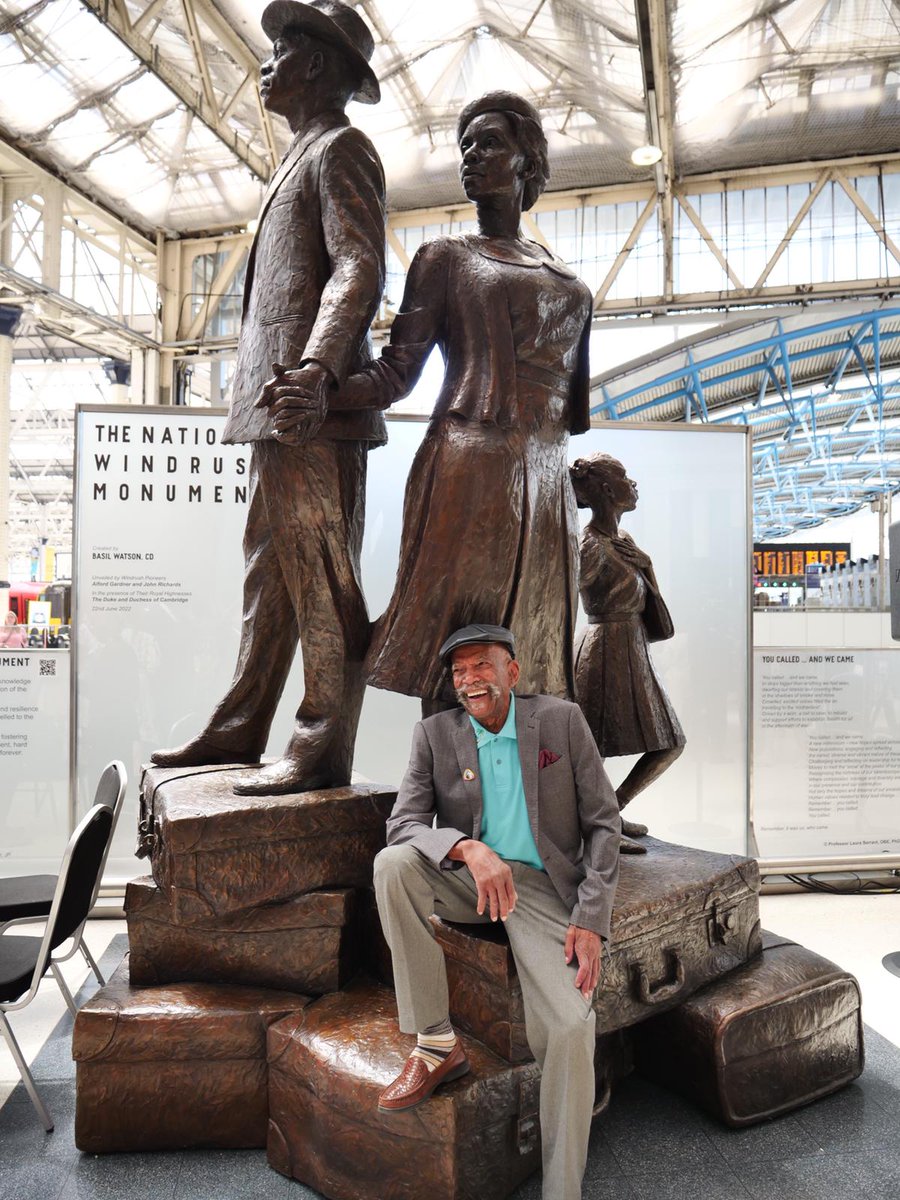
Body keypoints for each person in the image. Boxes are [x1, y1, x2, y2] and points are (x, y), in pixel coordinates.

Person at [152, 0, 386, 795]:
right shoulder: (301, 154)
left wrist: (318, 371)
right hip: (280, 404)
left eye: (280, 48)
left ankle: (321, 744)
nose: (266, 62)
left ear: (316, 63)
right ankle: (242, 724)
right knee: (271, 574)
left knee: (320, 575)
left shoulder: (342, 148)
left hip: (309, 405)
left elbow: (359, 266)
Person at [334, 91, 593, 709]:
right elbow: (397, 371)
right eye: (466, 146)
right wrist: (325, 390)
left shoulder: (568, 280)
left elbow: (570, 407)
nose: (471, 156)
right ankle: (449, 767)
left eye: (490, 143)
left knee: (534, 643)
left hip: (548, 477)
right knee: (459, 638)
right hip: (471, 465)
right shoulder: (444, 258)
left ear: (528, 162)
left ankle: (519, 770)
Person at [374, 624, 620, 1200]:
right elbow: (403, 824)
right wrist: (467, 848)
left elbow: (604, 824)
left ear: (511, 671)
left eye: (481, 665)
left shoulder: (560, 721)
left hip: (544, 890)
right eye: (459, 672)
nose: (469, 680)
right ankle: (436, 1041)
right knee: (393, 866)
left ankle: (562, 1191)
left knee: (569, 1029)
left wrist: (591, 918)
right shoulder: (434, 734)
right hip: (472, 883)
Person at [570, 453, 685, 854]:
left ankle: (610, 811)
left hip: (631, 647)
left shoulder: (623, 542)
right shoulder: (589, 545)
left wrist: (648, 568)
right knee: (594, 747)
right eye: (625, 478)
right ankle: (597, 826)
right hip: (604, 650)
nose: (633, 484)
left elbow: (657, 619)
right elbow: (562, 594)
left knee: (669, 743)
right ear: (606, 489)